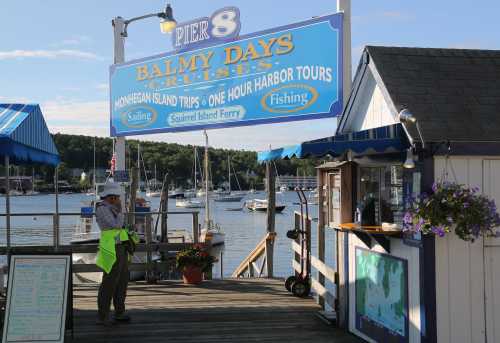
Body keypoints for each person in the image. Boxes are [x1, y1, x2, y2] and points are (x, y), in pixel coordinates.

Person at [95, 182, 132, 326]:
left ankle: (119, 312)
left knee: (122, 280)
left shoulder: (112, 208)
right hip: (110, 246)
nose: (120, 200)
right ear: (111, 197)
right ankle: (103, 315)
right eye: (117, 197)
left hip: (119, 245)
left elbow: (119, 227)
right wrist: (121, 212)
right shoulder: (103, 209)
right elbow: (115, 225)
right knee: (109, 282)